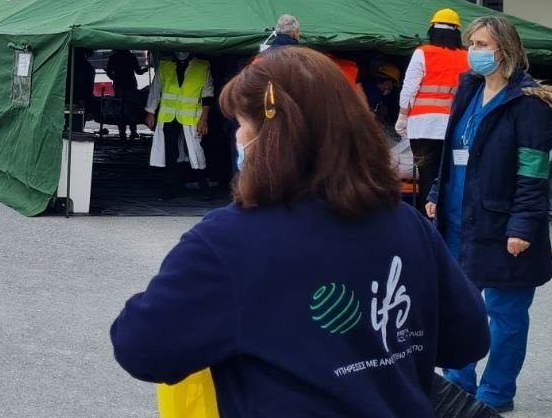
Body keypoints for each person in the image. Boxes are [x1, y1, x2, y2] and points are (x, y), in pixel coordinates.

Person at [111, 47, 489, 418]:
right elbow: (467, 340)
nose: (239, 140)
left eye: (243, 125)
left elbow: (141, 349)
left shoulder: (229, 242)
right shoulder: (406, 224)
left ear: (272, 137)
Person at [424, 15, 552, 412]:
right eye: (472, 43)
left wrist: (522, 225)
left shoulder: (529, 104)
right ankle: (459, 385)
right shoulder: (468, 89)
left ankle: (496, 393)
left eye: (481, 44)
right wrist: (435, 189)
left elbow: (533, 173)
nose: (474, 52)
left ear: (505, 49)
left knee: (506, 315)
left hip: (503, 226)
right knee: (461, 309)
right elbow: (453, 150)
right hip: (457, 222)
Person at [397, 9, 468, 210]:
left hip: (422, 126)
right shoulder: (466, 57)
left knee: (427, 175)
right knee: (450, 175)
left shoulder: (423, 53)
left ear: (432, 29)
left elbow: (409, 89)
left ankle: (427, 223)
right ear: (457, 31)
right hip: (454, 126)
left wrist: (402, 116)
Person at [145, 51, 214, 188]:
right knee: (170, 153)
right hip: (169, 117)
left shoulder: (202, 67)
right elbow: (155, 90)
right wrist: (150, 112)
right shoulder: (165, 66)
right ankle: (169, 186)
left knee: (195, 151)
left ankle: (203, 184)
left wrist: (204, 119)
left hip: (191, 118)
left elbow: (208, 95)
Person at [105, 48, 146, 141]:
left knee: (121, 108)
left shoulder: (113, 57)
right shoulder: (131, 56)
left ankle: (122, 132)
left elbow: (108, 72)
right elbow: (138, 71)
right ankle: (133, 131)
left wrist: (115, 78)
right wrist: (144, 70)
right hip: (130, 84)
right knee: (131, 107)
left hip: (119, 85)